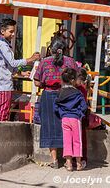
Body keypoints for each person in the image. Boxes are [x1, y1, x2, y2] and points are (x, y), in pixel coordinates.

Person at [33, 36, 78, 169]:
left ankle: (54, 161)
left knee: (50, 127)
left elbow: (36, 81)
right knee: (68, 126)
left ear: (51, 49)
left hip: (49, 96)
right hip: (67, 95)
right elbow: (77, 80)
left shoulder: (44, 62)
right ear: (63, 49)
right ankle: (69, 161)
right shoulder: (71, 62)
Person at [0, 18, 40, 121]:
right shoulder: (2, 45)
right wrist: (30, 59)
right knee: (3, 112)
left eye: (14, 32)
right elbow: (12, 62)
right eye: (11, 32)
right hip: (3, 84)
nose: (13, 34)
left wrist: (20, 72)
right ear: (3, 31)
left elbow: (4, 65)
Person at [55, 68, 88, 171]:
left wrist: (62, 114)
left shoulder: (60, 92)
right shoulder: (77, 93)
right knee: (77, 141)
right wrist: (79, 113)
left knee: (67, 141)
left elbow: (55, 106)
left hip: (64, 118)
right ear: (73, 80)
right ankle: (78, 164)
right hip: (75, 119)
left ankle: (68, 164)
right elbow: (84, 106)